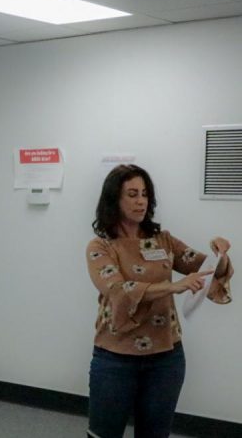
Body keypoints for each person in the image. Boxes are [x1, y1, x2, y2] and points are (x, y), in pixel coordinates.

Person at [86, 165, 232, 438]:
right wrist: (171, 287)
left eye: (144, 194)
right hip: (115, 358)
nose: (141, 200)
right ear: (113, 199)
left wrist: (219, 254)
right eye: (132, 194)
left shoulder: (162, 240)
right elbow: (117, 290)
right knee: (103, 434)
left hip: (166, 358)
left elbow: (206, 268)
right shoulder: (101, 246)